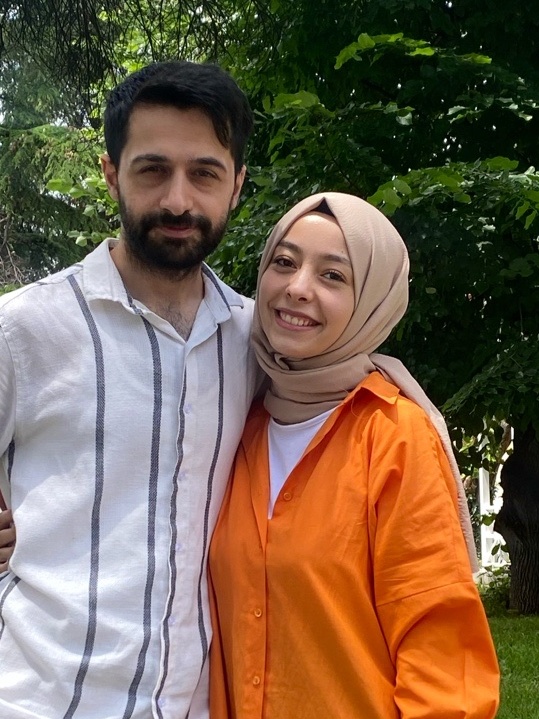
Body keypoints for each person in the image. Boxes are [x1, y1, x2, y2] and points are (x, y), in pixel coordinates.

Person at [0, 60, 261, 719]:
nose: (178, 201)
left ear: (237, 185)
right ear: (112, 173)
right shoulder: (24, 329)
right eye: (152, 170)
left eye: (204, 173)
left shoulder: (259, 343)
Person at [208, 192, 500, 718]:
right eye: (284, 262)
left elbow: (442, 658)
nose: (298, 288)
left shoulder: (394, 437)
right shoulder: (236, 428)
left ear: (371, 301)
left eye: (332, 276)